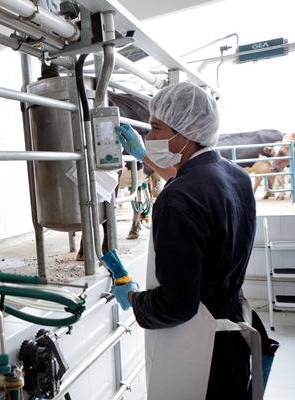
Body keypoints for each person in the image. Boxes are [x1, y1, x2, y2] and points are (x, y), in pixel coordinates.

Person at [112, 82, 257, 399]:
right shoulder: (236, 176)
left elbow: (176, 304)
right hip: (233, 334)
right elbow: (194, 181)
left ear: (185, 133)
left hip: (200, 351)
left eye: (155, 128)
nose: (148, 137)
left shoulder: (177, 200)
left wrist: (133, 298)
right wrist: (144, 157)